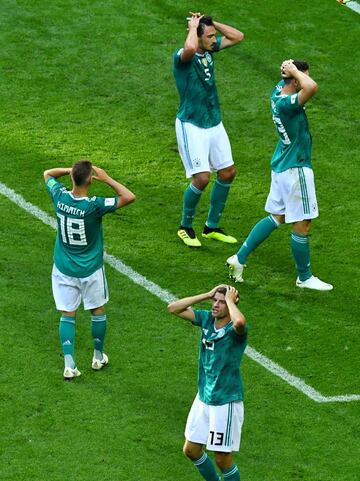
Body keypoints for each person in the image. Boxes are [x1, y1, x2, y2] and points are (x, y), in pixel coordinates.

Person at [227, 59, 333, 291]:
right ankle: (304, 277)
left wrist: (290, 69)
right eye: (302, 77)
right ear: (294, 80)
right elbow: (312, 87)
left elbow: (300, 83)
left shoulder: (277, 92)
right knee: (303, 223)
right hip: (296, 167)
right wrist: (295, 71)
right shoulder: (288, 104)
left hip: (282, 164)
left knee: (278, 216)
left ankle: (239, 258)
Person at [43, 160, 136, 379]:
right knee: (97, 310)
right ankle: (97, 356)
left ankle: (69, 364)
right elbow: (129, 197)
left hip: (64, 268)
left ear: (72, 178)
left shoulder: (60, 197)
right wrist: (108, 179)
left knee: (68, 314)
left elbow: (48, 174)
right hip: (90, 269)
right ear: (90, 181)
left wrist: (70, 171)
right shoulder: (94, 206)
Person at [173, 13, 244, 247]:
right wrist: (193, 28)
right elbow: (190, 48)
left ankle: (211, 227)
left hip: (214, 121)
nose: (215, 39)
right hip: (191, 124)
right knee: (202, 178)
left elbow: (238, 36)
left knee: (227, 173)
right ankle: (185, 227)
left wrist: (212, 24)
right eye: (210, 36)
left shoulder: (209, 50)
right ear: (197, 37)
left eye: (215, 36)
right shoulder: (183, 57)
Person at [168, 285, 247, 481]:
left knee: (222, 459)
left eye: (221, 302)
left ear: (230, 304)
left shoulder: (235, 332)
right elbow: (173, 308)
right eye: (215, 301)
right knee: (191, 450)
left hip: (225, 400)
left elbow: (240, 321)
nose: (216, 305)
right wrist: (206, 294)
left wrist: (230, 300)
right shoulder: (207, 320)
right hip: (204, 396)